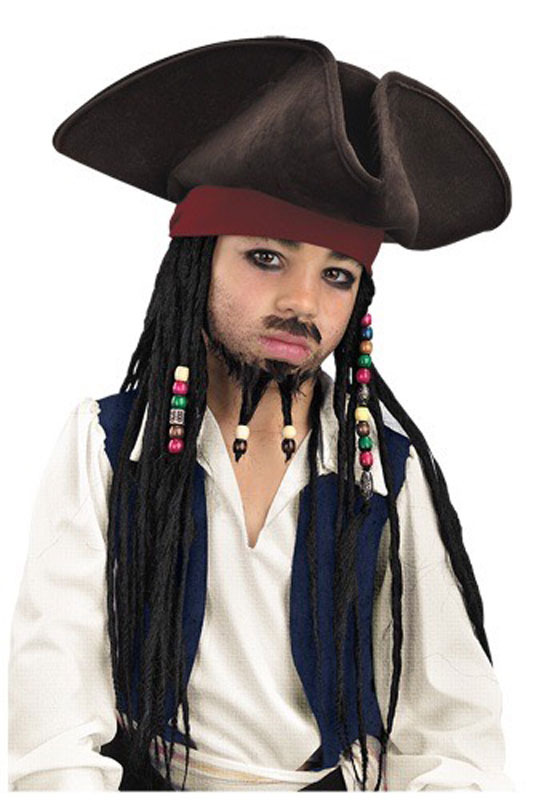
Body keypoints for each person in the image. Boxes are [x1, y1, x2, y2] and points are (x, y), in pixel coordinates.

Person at [8, 36, 513, 791]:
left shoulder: (384, 473)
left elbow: (452, 731)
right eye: (266, 258)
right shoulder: (109, 446)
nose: (302, 303)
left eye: (337, 275)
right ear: (197, 261)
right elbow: (53, 723)